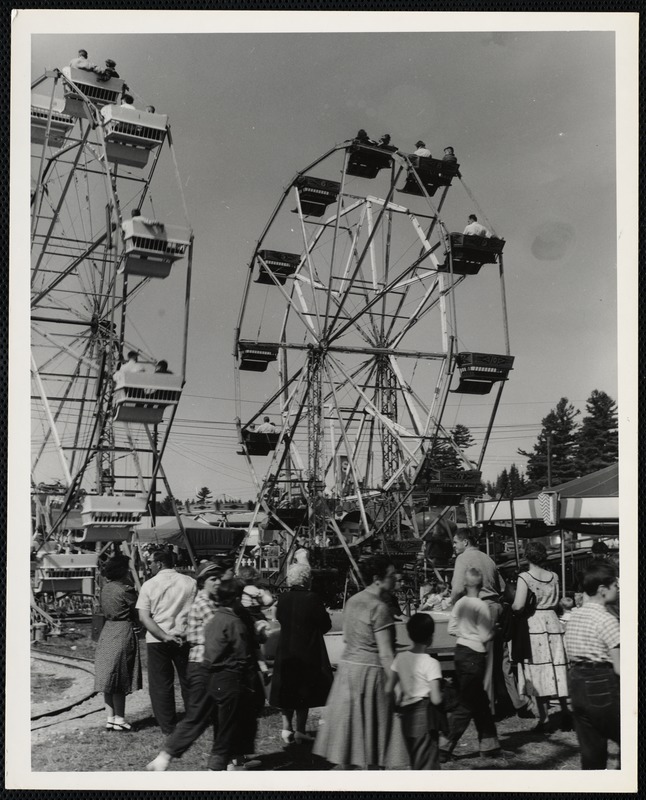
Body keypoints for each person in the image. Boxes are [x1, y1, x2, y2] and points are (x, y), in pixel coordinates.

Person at [313, 555, 408, 769]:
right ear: (377, 578)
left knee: (351, 735)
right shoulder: (379, 608)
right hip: (371, 674)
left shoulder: (353, 601)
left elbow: (347, 637)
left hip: (348, 672)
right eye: (392, 576)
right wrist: (397, 686)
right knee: (373, 738)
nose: (396, 579)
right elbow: (385, 653)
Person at [146, 561, 227, 770]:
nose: (218, 582)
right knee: (197, 716)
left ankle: (227, 762)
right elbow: (221, 630)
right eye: (213, 579)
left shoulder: (151, 584)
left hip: (171, 642)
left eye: (219, 578)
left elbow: (144, 614)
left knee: (221, 715)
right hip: (204, 663)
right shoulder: (201, 599)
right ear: (202, 582)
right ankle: (165, 756)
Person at [202, 579, 263, 771]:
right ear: (236, 598)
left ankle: (234, 761)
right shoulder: (234, 621)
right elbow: (243, 654)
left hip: (214, 677)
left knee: (226, 722)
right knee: (229, 727)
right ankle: (217, 766)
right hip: (232, 677)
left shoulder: (215, 618)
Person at [564, 561, 620, 770]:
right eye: (615, 585)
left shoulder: (575, 615)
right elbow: (620, 667)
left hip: (577, 683)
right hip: (601, 684)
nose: (618, 588)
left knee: (591, 751)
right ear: (602, 590)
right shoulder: (607, 620)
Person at [270, 564, 333, 744]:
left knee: (287, 688)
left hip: (286, 647)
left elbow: (280, 619)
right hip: (307, 648)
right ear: (307, 579)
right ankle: (300, 730)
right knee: (303, 689)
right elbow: (325, 625)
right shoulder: (312, 598)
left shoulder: (283, 598)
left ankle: (286, 728)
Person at [511, 541, 570, 732]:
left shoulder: (525, 577)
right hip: (552, 621)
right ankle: (566, 713)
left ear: (527, 556)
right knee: (557, 666)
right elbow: (557, 600)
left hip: (534, 622)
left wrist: (511, 606)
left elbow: (519, 605)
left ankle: (544, 718)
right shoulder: (553, 576)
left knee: (538, 669)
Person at [136, 549, 197, 735]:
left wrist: (163, 636)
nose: (149, 566)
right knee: (189, 680)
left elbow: (144, 617)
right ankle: (193, 720)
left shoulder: (149, 585)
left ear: (159, 563)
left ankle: (167, 725)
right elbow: (196, 611)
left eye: (151, 562)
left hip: (157, 638)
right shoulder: (191, 582)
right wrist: (185, 632)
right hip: (183, 636)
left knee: (160, 683)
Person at [441, 568, 500, 759]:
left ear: (465, 585)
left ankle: (490, 745)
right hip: (475, 654)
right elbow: (484, 636)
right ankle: (445, 744)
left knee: (479, 700)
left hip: (460, 651)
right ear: (482, 585)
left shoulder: (459, 603)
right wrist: (494, 631)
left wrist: (465, 633)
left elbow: (451, 629)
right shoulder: (481, 606)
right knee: (468, 702)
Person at [386, 613, 444, 769]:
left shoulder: (400, 658)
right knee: (427, 762)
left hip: (406, 715)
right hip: (424, 714)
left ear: (409, 634)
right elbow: (436, 699)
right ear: (431, 637)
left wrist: (396, 703)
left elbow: (388, 688)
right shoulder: (431, 663)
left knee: (415, 758)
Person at [93, 555, 142, 732]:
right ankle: (120, 718)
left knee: (108, 677)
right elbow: (137, 611)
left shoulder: (105, 589)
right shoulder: (126, 590)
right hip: (123, 630)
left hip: (108, 631)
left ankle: (110, 718)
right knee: (120, 677)